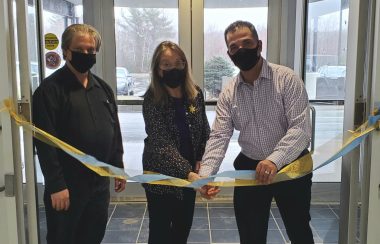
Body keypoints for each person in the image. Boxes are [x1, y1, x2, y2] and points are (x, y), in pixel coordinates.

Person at [199, 20, 314, 244]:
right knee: (250, 235)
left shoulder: (287, 79)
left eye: (247, 43)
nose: (241, 50)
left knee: (298, 229)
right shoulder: (229, 91)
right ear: (229, 54)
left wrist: (273, 160)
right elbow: (220, 136)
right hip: (250, 167)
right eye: (234, 47)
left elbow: (300, 129)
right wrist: (206, 175)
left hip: (290, 165)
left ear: (259, 45)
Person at [33, 24, 126, 244]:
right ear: (66, 51)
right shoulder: (49, 90)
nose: (86, 55)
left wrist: (117, 167)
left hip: (99, 184)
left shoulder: (103, 89)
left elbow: (114, 131)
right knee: (64, 238)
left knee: (93, 236)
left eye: (90, 50)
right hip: (68, 186)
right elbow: (45, 142)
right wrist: (56, 185)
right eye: (80, 49)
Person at [142, 41, 210, 244]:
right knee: (160, 232)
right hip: (160, 177)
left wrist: (200, 158)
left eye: (178, 63)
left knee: (182, 229)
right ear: (158, 69)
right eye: (166, 65)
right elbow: (161, 143)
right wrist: (188, 172)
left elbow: (204, 129)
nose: (174, 69)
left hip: (190, 175)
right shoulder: (152, 99)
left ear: (185, 65)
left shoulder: (195, 93)